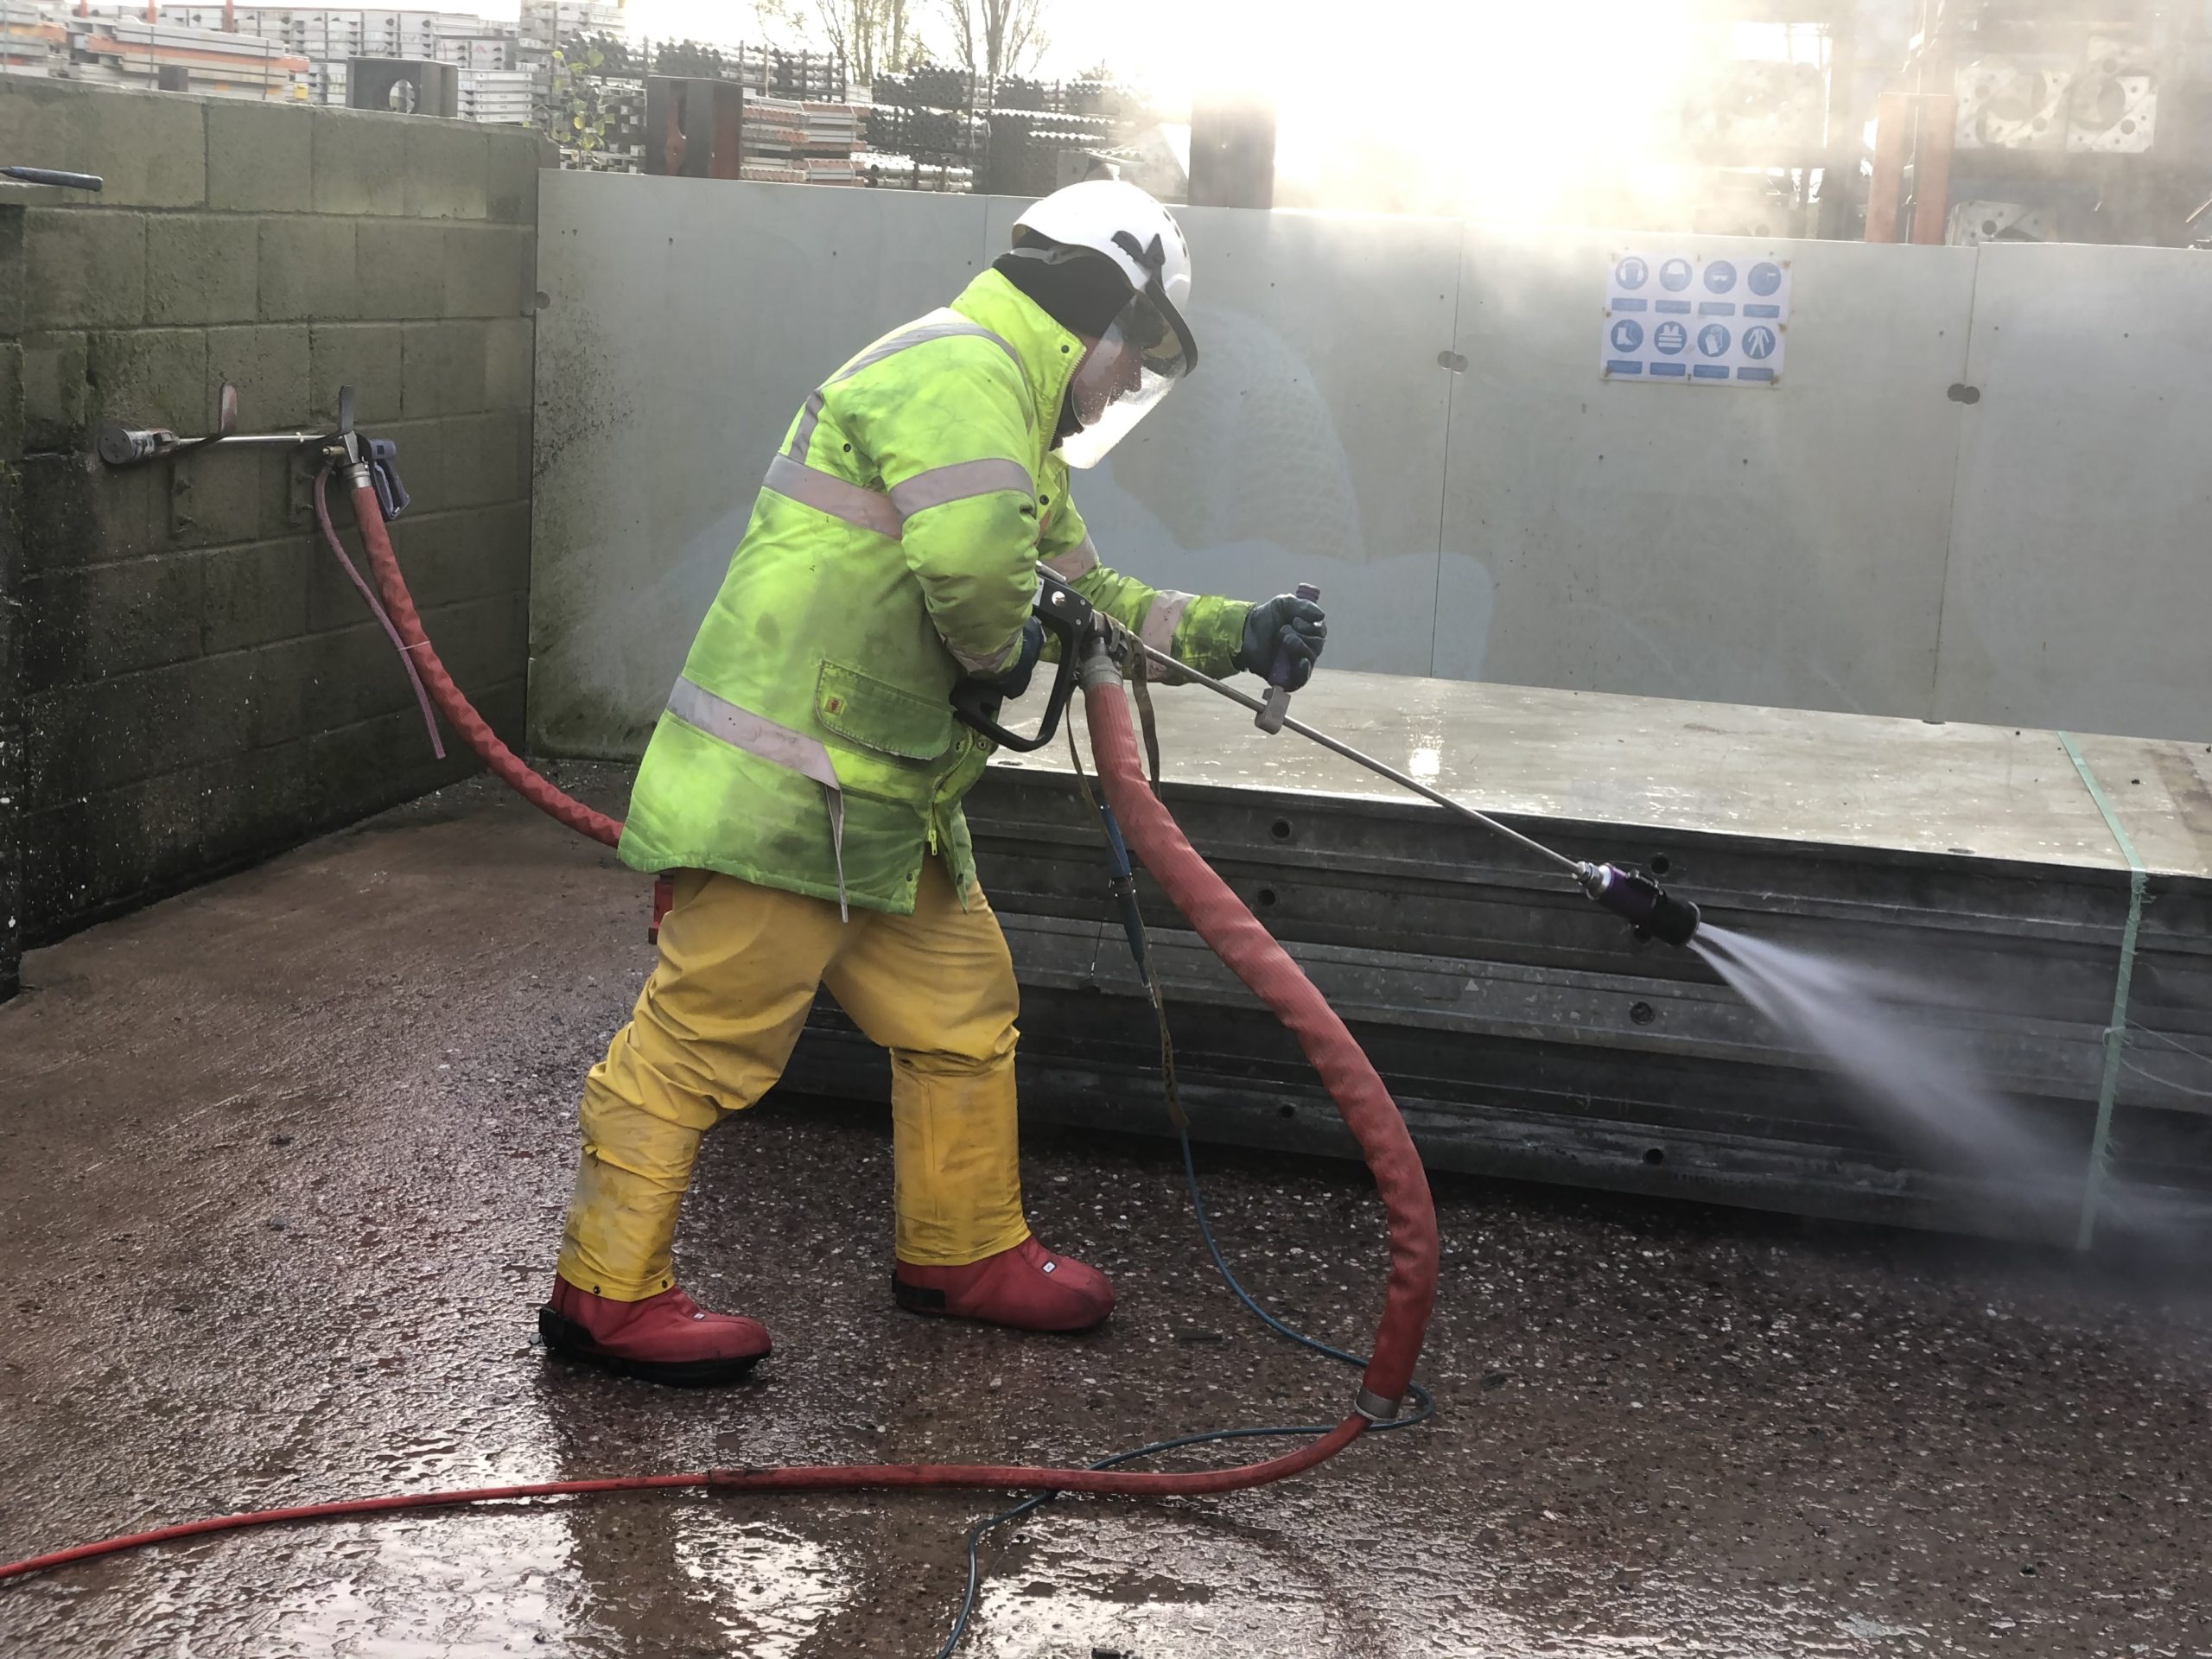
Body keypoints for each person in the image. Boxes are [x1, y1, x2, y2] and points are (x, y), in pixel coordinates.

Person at [539, 179, 1330, 1385]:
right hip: (787, 799)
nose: (1124, 386)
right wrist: (1000, 642)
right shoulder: (957, 373)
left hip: (881, 807)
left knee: (963, 1010)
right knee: (702, 1041)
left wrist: (1236, 633)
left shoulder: (1010, 423)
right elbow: (976, 579)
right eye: (1134, 355)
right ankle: (603, 1295)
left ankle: (962, 1253)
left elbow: (1088, 604)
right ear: (1094, 311)